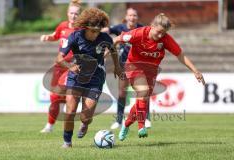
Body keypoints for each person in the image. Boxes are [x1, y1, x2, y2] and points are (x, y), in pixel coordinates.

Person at [114, 13, 205, 141]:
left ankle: (127, 124)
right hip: (134, 66)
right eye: (159, 32)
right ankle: (141, 126)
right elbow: (116, 39)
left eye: (164, 33)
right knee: (143, 91)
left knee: (143, 99)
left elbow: (180, 55)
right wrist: (109, 55)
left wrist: (195, 71)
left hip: (151, 71)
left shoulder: (165, 39)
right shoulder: (138, 33)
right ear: (152, 26)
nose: (161, 36)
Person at [56, 7, 122, 148]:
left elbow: (113, 50)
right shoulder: (75, 36)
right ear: (85, 27)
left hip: (95, 79)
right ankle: (67, 142)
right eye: (92, 31)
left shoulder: (104, 38)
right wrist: (70, 67)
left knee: (86, 117)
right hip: (75, 77)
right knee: (70, 111)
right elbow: (59, 58)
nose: (95, 34)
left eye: (98, 31)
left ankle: (85, 124)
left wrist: (117, 67)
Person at [102, 8, 151, 130]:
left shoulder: (142, 29)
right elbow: (107, 30)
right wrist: (98, 31)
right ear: (126, 17)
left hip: (139, 66)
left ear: (137, 17)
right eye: (130, 15)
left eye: (134, 15)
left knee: (143, 93)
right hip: (124, 65)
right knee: (122, 94)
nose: (132, 17)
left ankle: (147, 119)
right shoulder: (120, 28)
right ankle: (119, 121)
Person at [40, 0, 81, 133]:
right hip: (58, 66)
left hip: (72, 66)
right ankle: (49, 126)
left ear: (80, 15)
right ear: (67, 13)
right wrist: (48, 37)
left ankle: (80, 121)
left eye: (76, 13)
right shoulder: (63, 26)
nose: (73, 16)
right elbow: (55, 36)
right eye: (71, 13)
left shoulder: (82, 29)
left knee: (68, 95)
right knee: (54, 98)